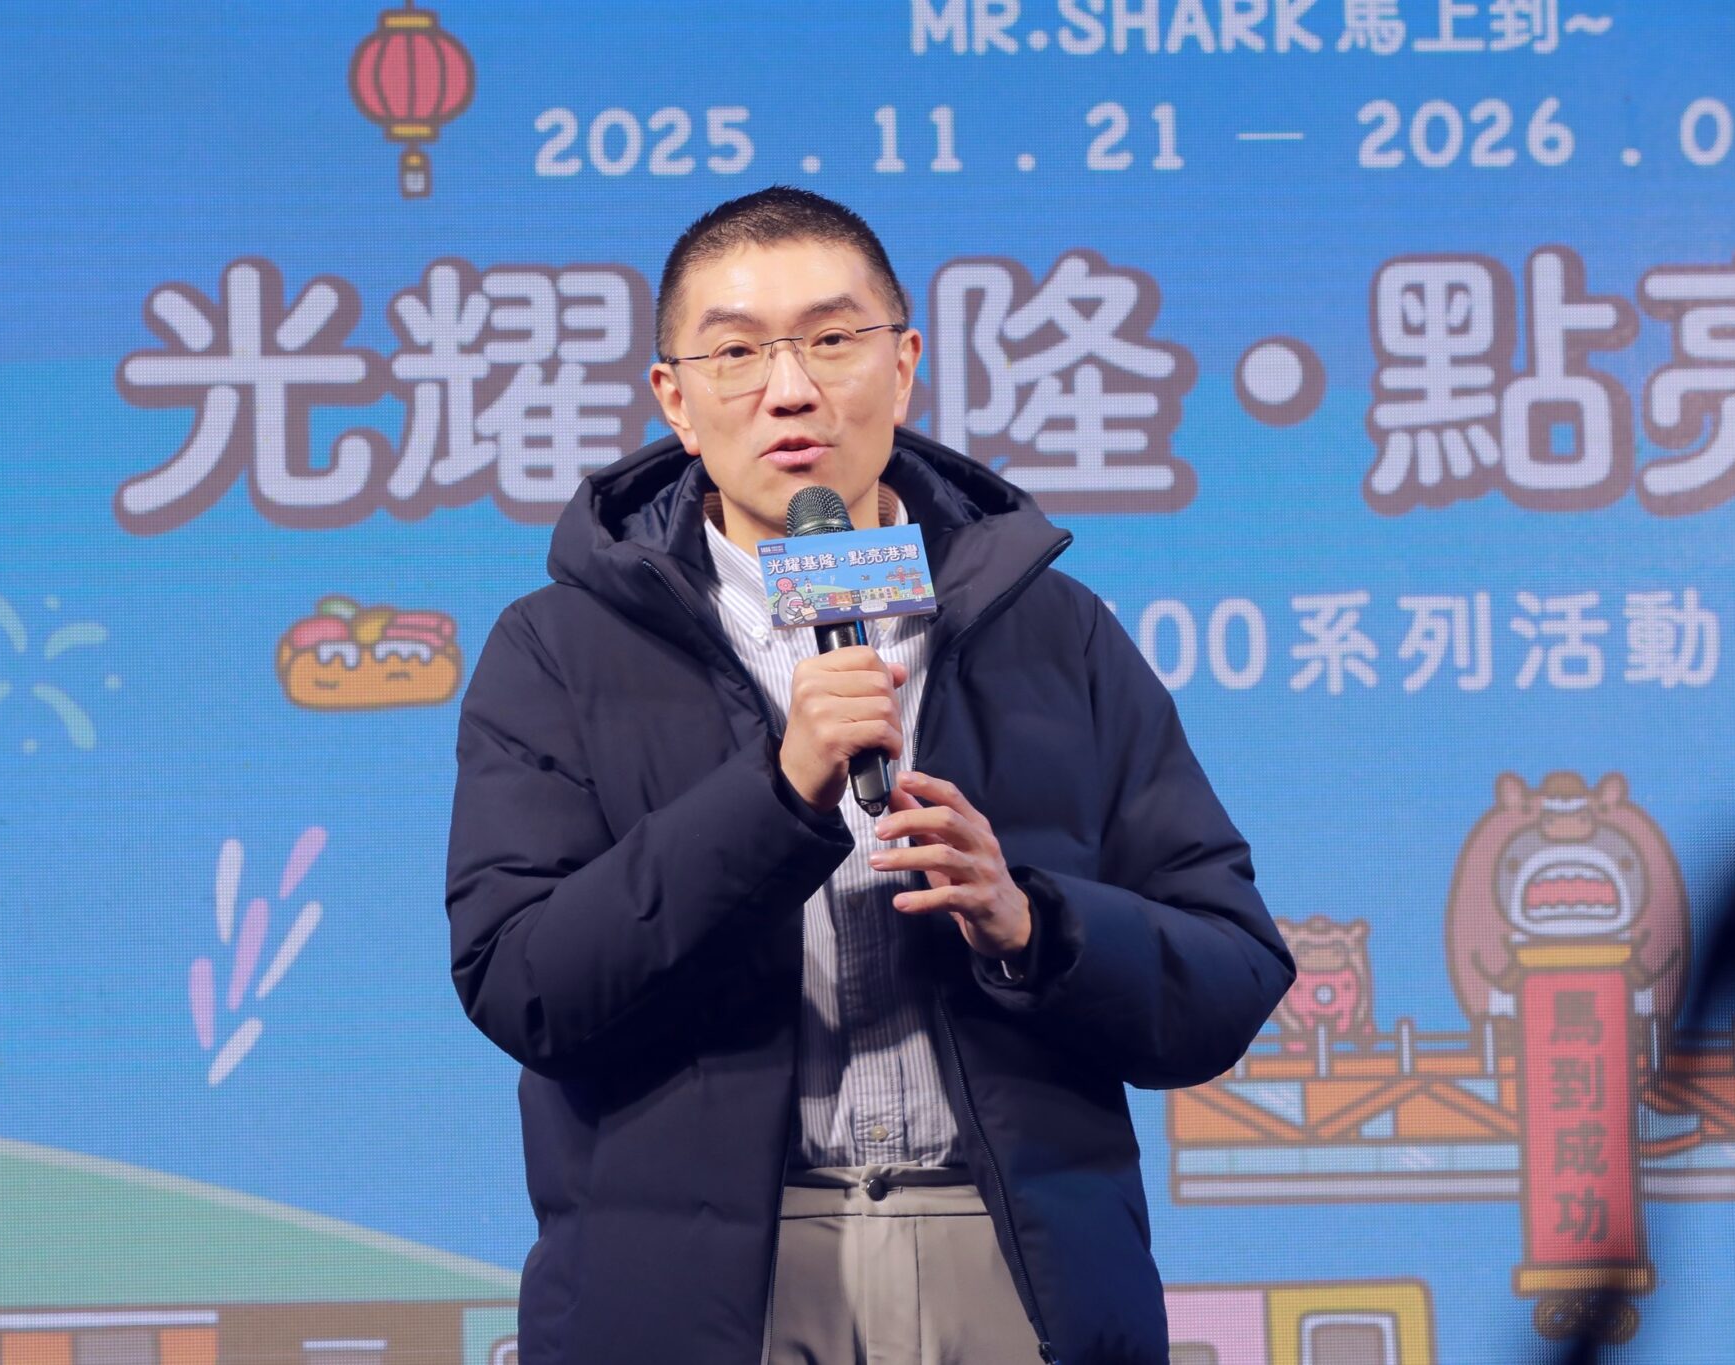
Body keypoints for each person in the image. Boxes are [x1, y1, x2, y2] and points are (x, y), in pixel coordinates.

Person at [445, 186, 1294, 1365]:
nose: (789, 389)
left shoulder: (1054, 634)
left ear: (902, 369)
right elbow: (523, 983)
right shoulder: (558, 649)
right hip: (706, 1293)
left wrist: (1031, 926)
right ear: (674, 400)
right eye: (736, 352)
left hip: (1009, 1267)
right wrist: (774, 793)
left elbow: (1230, 965)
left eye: (832, 339)